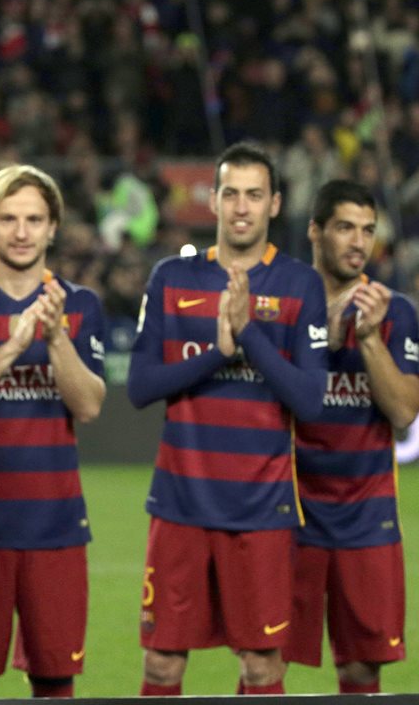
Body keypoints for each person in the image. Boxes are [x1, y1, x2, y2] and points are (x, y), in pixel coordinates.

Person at [127, 142, 328, 695]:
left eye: (255, 195)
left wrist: (248, 334)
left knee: (262, 667)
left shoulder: (299, 285)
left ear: (275, 204)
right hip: (180, 505)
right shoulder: (171, 278)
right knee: (163, 667)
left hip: (262, 510)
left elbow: (311, 401)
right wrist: (217, 352)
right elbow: (140, 388)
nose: (242, 207)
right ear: (212, 201)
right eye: (232, 193)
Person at [0, 164, 107, 699]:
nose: (21, 231)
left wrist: (55, 338)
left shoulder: (80, 305)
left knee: (54, 681)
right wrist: (13, 345)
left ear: (52, 227)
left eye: (34, 219)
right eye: (8, 219)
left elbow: (88, 406)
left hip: (54, 526)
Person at [286, 179, 418, 692]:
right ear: (316, 232)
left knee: (362, 668)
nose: (359, 242)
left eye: (367, 230)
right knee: (264, 660)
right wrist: (324, 338)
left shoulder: (396, 313)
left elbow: (404, 410)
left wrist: (366, 339)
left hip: (367, 514)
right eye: (345, 228)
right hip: (289, 512)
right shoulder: (284, 307)